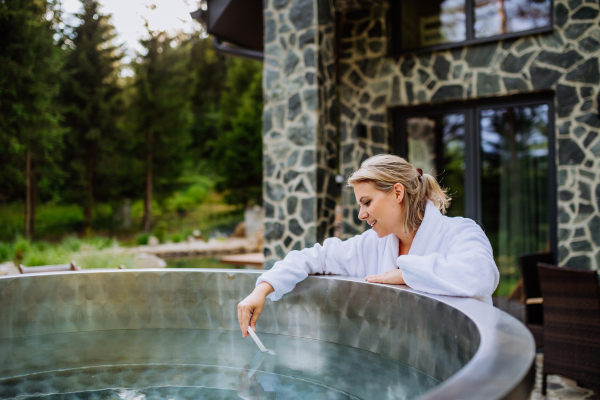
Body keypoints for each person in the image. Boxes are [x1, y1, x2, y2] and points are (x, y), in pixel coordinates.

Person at [237, 154, 499, 338]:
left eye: (367, 202)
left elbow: (481, 275)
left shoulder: (460, 231)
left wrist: (406, 273)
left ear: (398, 193)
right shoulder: (373, 244)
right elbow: (317, 257)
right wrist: (263, 288)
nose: (361, 215)